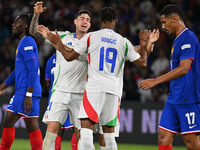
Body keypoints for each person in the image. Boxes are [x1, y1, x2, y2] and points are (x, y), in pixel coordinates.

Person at [37, 7, 159, 150]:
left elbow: (69, 56)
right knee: (108, 135)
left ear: (99, 21)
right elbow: (143, 62)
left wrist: (57, 42)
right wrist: (146, 44)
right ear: (116, 22)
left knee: (86, 131)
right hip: (113, 91)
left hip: (93, 89)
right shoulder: (123, 41)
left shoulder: (91, 37)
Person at [29, 2, 91, 150]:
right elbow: (34, 32)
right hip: (60, 92)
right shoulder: (62, 36)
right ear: (75, 22)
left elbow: (71, 55)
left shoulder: (91, 42)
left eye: (88, 20)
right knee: (51, 132)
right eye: (82, 18)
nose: (85, 21)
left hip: (81, 95)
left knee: (81, 135)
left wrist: (58, 44)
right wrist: (36, 15)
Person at [139, 4, 200, 150]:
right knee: (164, 137)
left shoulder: (188, 37)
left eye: (165, 22)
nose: (163, 26)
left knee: (192, 143)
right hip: (174, 98)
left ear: (175, 19)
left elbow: (184, 68)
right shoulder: (178, 40)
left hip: (188, 98)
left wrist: (156, 81)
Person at [0, 14, 43, 150]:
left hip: (25, 91)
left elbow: (33, 68)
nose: (13, 24)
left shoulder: (27, 42)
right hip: (28, 90)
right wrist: (2, 86)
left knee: (9, 121)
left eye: (17, 22)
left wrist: (28, 95)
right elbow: (17, 72)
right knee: (31, 125)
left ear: (25, 26)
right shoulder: (24, 42)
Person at [45, 53, 77, 150]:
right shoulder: (74, 55)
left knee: (56, 131)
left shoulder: (51, 59)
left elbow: (47, 82)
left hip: (56, 97)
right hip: (74, 95)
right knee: (78, 130)